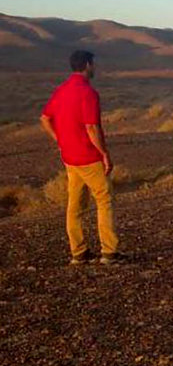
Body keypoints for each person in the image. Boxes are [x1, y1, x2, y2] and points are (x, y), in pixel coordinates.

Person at [39, 50, 123, 265]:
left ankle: (78, 252)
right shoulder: (88, 92)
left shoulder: (61, 90)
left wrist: (60, 140)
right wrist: (105, 154)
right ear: (87, 65)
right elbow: (92, 127)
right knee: (104, 201)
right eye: (93, 64)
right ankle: (109, 252)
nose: (95, 67)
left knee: (75, 205)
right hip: (89, 157)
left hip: (69, 158)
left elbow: (45, 118)